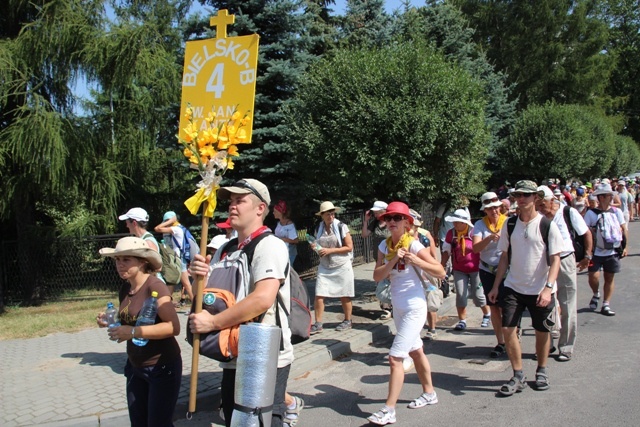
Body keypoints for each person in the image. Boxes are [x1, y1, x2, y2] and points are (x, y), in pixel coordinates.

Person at [188, 178, 293, 427]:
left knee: (260, 421)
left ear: (260, 208)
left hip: (264, 354)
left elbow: (262, 299)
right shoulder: (226, 247)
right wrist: (197, 277)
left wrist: (212, 322)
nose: (232, 206)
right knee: (236, 421)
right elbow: (205, 298)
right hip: (233, 351)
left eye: (240, 201)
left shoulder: (270, 245)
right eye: (230, 202)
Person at [367, 202, 445, 426]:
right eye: (389, 218)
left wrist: (415, 260)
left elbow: (439, 270)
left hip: (414, 307)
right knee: (417, 351)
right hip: (398, 308)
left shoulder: (413, 244)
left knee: (395, 358)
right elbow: (377, 276)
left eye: (397, 219)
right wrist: (393, 259)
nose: (392, 222)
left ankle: (389, 409)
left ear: (407, 223)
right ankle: (429, 393)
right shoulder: (384, 245)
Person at [488, 180, 564, 396]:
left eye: (526, 195)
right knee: (508, 329)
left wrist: (549, 288)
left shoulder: (546, 225)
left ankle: (541, 370)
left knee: (542, 332)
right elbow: (504, 256)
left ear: (535, 198)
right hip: (514, 287)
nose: (521, 199)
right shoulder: (510, 224)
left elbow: (555, 258)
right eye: (518, 195)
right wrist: (496, 286)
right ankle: (518, 374)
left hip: (540, 288)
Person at [96, 237, 182, 427]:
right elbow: (131, 317)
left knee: (158, 424)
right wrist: (111, 321)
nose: (120, 265)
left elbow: (173, 327)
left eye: (126, 260)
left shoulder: (155, 287)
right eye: (117, 260)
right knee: (139, 423)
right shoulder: (126, 287)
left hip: (161, 367)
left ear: (143, 262)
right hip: (136, 366)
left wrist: (133, 332)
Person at [536, 185, 593, 361]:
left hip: (566, 258)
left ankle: (566, 346)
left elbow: (586, 233)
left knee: (567, 303)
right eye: (538, 204)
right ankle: (549, 342)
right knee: (545, 304)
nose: (540, 207)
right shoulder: (537, 216)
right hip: (544, 262)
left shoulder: (568, 212)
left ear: (552, 200)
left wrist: (587, 256)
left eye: (543, 203)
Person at [441, 209, 491, 331]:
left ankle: (487, 314)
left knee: (478, 296)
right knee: (461, 294)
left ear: (465, 223)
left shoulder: (474, 232)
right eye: (454, 222)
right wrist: (441, 267)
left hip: (476, 268)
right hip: (459, 269)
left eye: (458, 222)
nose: (455, 224)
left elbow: (482, 248)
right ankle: (462, 320)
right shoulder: (451, 234)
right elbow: (446, 251)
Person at [309, 201, 355, 334]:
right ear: (322, 215)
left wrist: (330, 251)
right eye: (328, 214)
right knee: (319, 294)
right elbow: (317, 244)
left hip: (341, 265)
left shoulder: (341, 226)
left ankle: (347, 320)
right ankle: (318, 324)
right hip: (325, 265)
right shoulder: (319, 228)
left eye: (332, 213)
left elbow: (349, 247)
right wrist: (315, 247)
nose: (331, 216)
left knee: (344, 294)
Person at [583, 183, 628, 316]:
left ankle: (606, 304)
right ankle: (596, 294)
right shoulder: (591, 213)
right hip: (595, 251)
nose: (612, 198)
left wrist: (625, 246)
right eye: (609, 196)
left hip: (612, 251)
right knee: (593, 276)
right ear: (601, 197)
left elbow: (624, 229)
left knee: (609, 277)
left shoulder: (616, 212)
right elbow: (585, 233)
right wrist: (587, 251)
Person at [472, 192, 507, 358]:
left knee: (507, 306)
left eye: (496, 207)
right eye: (490, 209)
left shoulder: (507, 222)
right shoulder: (480, 225)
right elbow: (476, 248)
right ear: (484, 211)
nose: (494, 211)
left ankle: (513, 336)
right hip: (487, 269)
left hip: (507, 269)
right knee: (493, 307)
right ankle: (501, 342)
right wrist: (490, 238)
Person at [409, 209, 438, 341]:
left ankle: (432, 328)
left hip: (424, 273)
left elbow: (430, 257)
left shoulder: (423, 237)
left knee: (429, 301)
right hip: (411, 276)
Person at [155, 212, 194, 305]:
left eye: (166, 221)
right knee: (171, 282)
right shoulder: (175, 228)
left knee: (186, 284)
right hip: (174, 260)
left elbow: (157, 228)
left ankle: (198, 306)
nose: (164, 223)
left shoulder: (177, 229)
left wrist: (172, 220)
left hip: (179, 260)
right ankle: (165, 304)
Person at [362, 201, 392, 319]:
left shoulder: (391, 222)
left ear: (384, 211)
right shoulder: (374, 223)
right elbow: (364, 235)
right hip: (379, 259)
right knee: (381, 283)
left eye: (377, 212)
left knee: (391, 283)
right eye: (374, 212)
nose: (375, 214)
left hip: (391, 259)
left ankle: (391, 308)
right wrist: (365, 220)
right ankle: (386, 308)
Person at [273, 200, 299, 266]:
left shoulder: (289, 225)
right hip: (280, 251)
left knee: (287, 271)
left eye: (275, 211)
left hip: (289, 253)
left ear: (280, 212)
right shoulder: (279, 223)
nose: (273, 213)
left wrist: (282, 239)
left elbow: (296, 240)